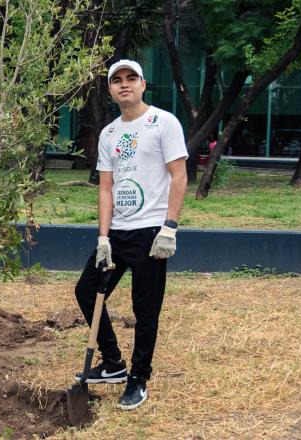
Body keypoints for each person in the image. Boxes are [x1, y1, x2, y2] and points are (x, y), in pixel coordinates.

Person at [73, 60, 187, 411]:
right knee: (86, 289)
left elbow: (179, 176)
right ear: (110, 89)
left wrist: (170, 227)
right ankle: (113, 363)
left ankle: (138, 378)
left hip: (151, 231)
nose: (124, 85)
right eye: (117, 80)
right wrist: (103, 238)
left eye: (130, 78)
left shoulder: (163, 122)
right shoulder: (108, 133)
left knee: (145, 308)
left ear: (142, 84)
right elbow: (105, 189)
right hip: (117, 233)